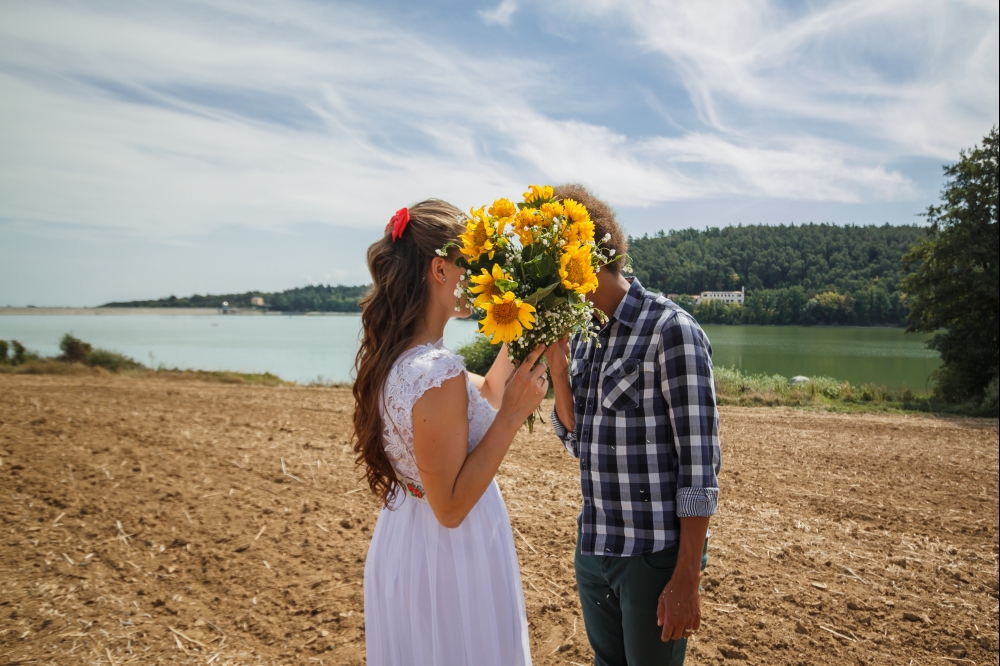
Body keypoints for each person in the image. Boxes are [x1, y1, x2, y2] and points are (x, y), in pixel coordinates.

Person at [353, 199, 548, 666]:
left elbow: (490, 392)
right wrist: (511, 421)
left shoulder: (405, 358)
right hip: (448, 556)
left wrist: (532, 318)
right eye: (472, 266)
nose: (478, 280)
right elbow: (452, 507)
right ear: (440, 270)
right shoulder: (435, 373)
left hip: (409, 538)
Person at [545, 184, 722, 666]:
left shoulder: (672, 332)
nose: (543, 282)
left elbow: (700, 471)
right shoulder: (583, 335)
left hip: (653, 561)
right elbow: (578, 442)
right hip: (595, 550)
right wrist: (558, 373)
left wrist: (687, 575)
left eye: (547, 263)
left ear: (583, 256)